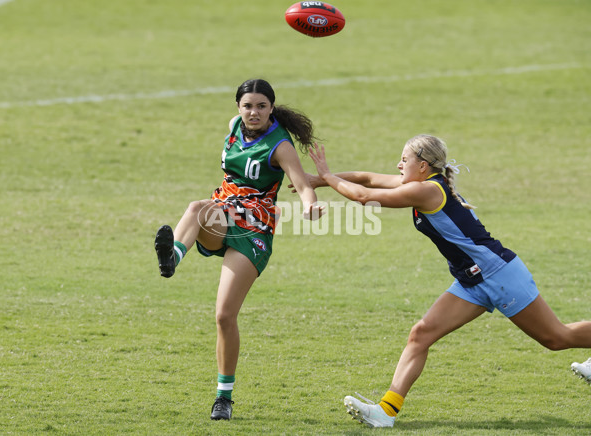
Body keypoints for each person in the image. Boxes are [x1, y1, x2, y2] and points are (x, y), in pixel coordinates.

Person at [306, 135, 591, 428]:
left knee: (557, 338)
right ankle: (386, 413)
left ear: (423, 165)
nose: (398, 164)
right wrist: (317, 180)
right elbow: (366, 178)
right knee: (421, 334)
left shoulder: (427, 191)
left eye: (404, 160)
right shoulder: (419, 185)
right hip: (471, 282)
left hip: (499, 275)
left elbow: (365, 196)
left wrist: (327, 176)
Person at [154, 79, 324, 421]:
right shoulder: (234, 128)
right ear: (238, 108)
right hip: (223, 212)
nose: (254, 112)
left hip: (255, 229)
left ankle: (224, 398)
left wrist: (310, 205)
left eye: (261, 106)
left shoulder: (280, 145)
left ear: (271, 108)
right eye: (248, 106)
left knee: (224, 316)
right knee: (197, 207)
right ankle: (172, 257)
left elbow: (303, 185)